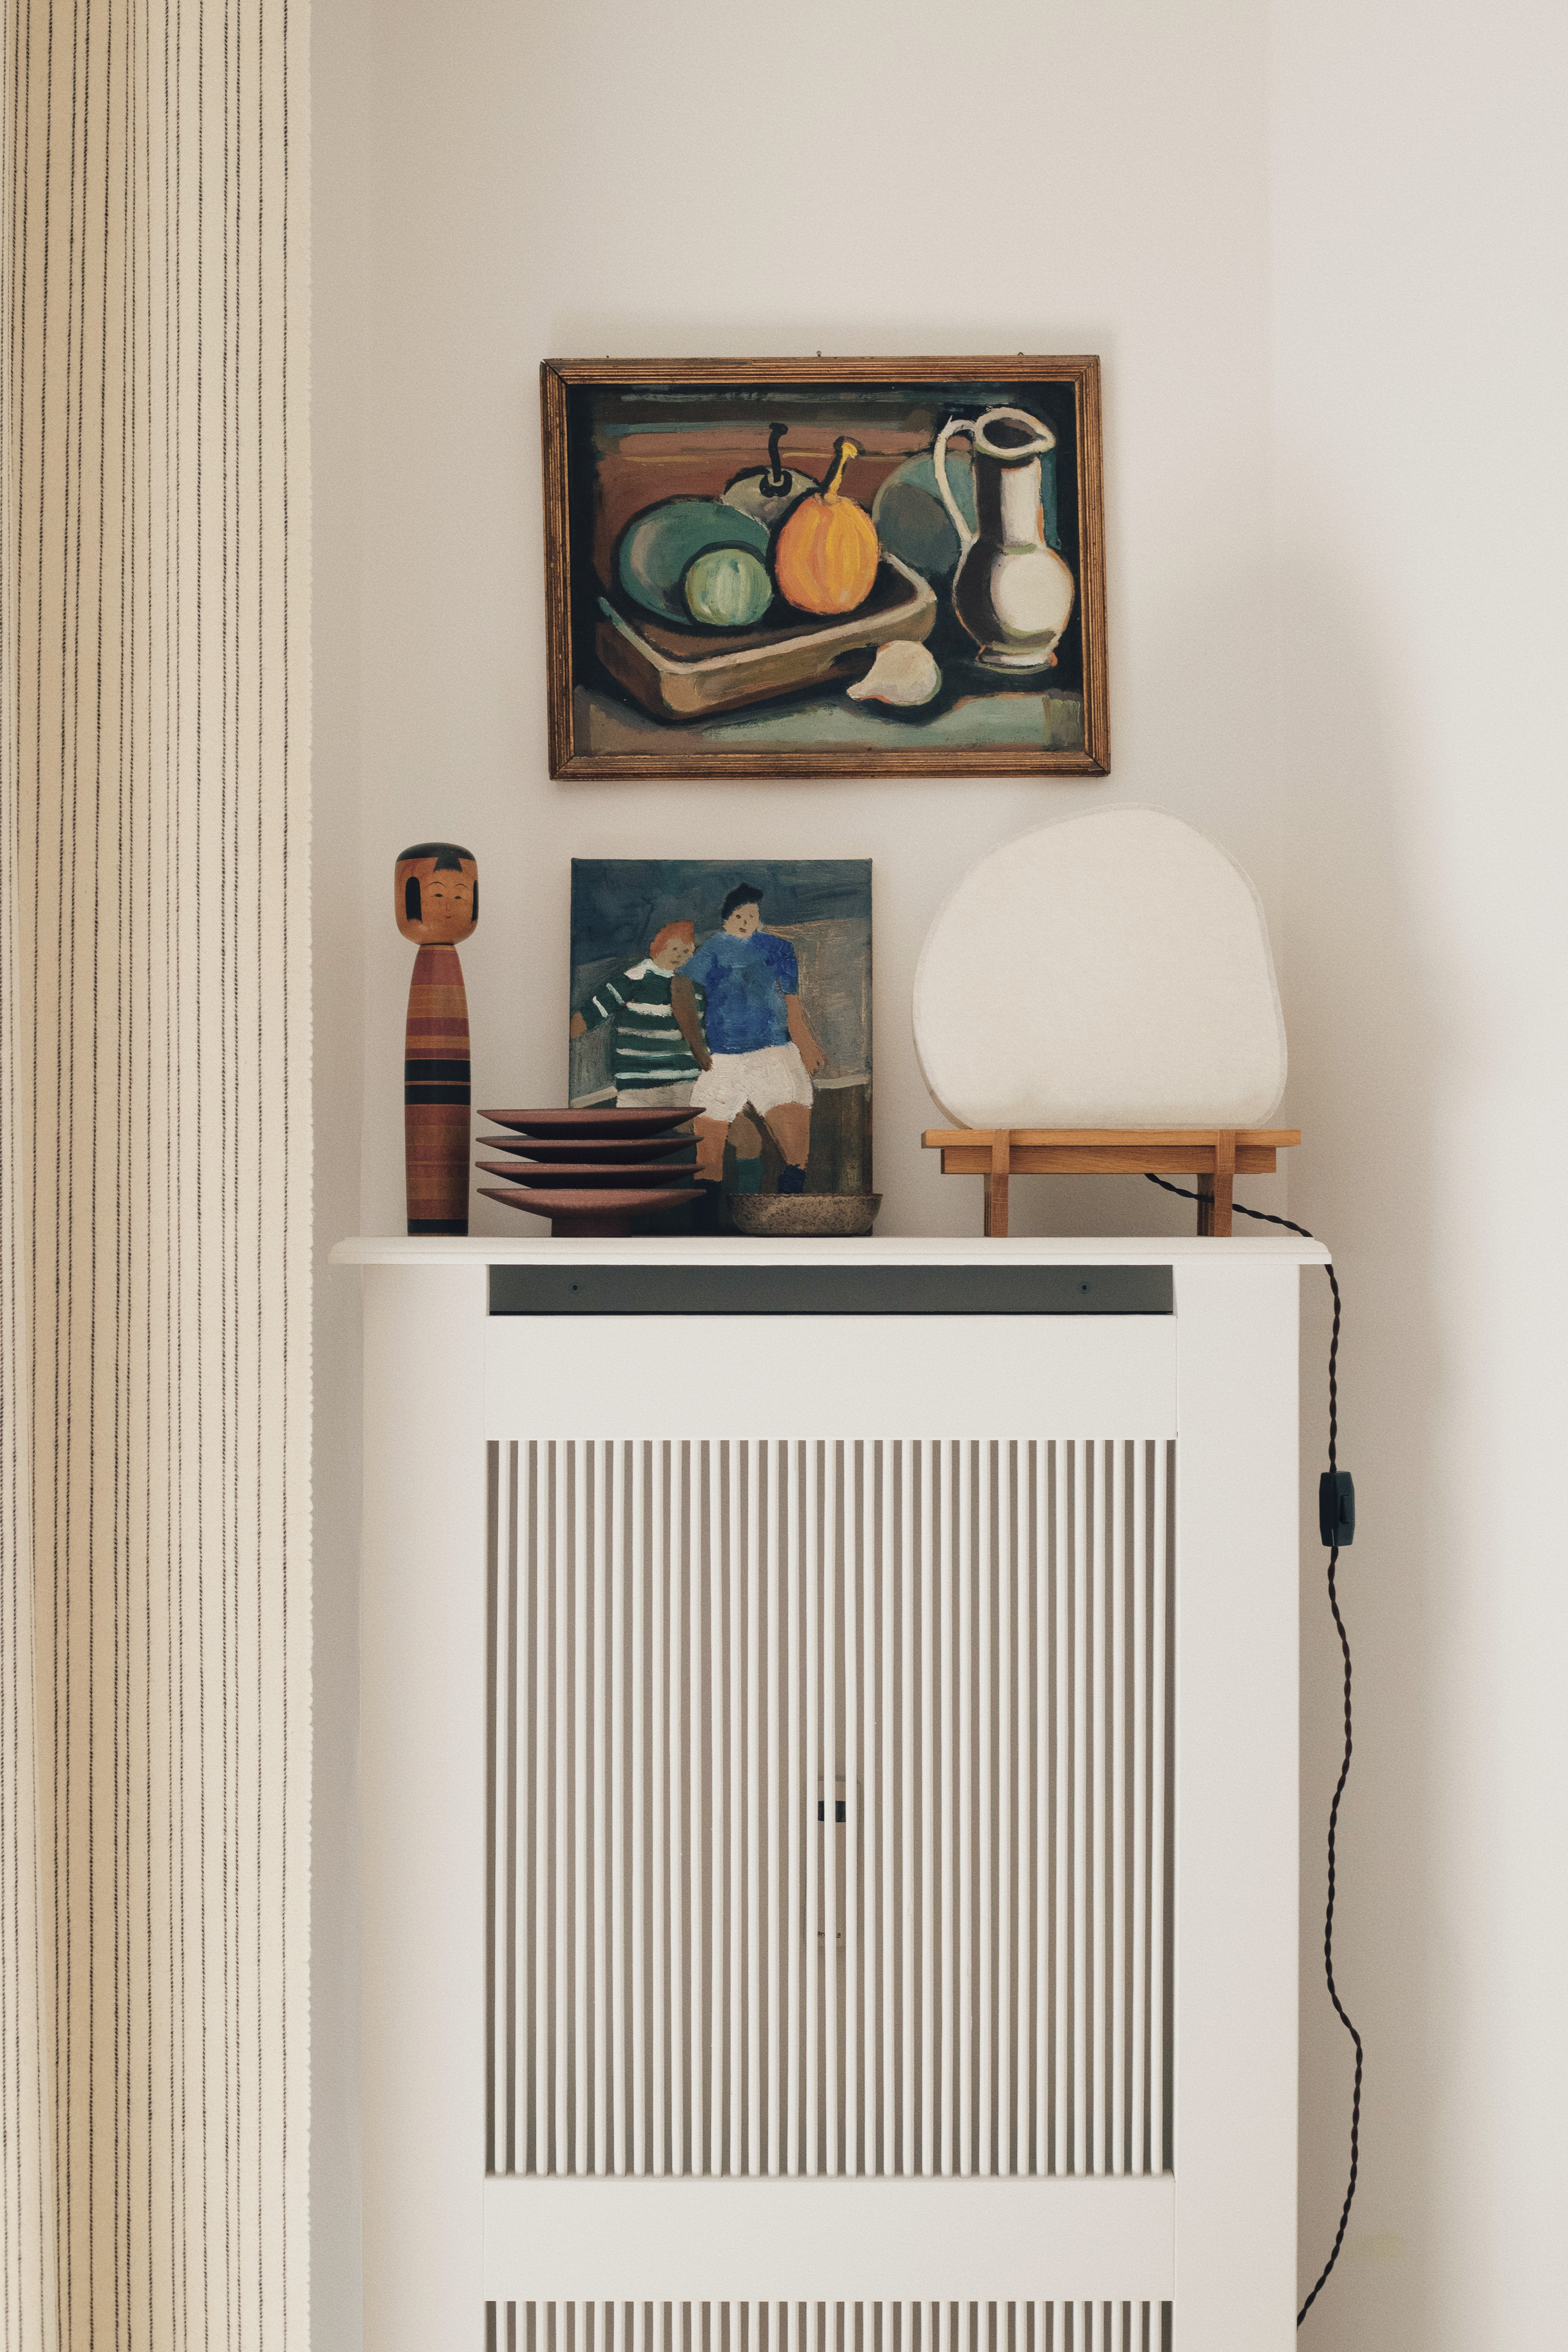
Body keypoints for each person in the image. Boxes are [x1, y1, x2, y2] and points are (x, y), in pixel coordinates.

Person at [682, 882, 826, 1194]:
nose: (745, 921)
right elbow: (681, 986)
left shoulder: (778, 948)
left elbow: (791, 1000)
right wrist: (696, 1045)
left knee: (794, 1144)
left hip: (774, 1053)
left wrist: (806, 1043)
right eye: (738, 915)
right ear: (726, 919)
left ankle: (790, 1201)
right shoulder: (714, 948)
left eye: (751, 915)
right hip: (723, 1059)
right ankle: (706, 1213)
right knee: (708, 1144)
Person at [567, 919, 708, 1106]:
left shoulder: (696, 987)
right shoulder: (637, 977)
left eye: (686, 951)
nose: (679, 956)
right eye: (674, 949)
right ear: (658, 948)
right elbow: (594, 1011)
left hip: (685, 1081)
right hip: (639, 1083)